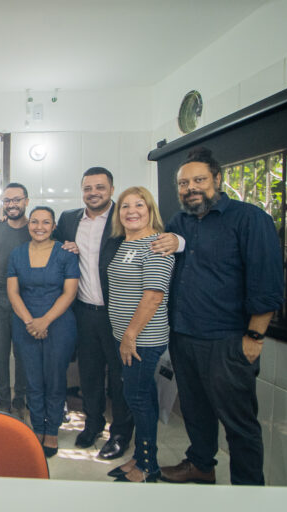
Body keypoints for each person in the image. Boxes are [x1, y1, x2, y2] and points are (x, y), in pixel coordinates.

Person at [159, 147, 284, 486]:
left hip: (228, 341)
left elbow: (267, 283)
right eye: (183, 183)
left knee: (239, 423)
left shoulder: (249, 219)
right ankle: (200, 464)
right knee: (196, 413)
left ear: (217, 179)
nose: (190, 188)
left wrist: (255, 337)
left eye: (198, 180)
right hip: (184, 336)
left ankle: (248, 493)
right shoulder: (179, 222)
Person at [53, 167, 134, 457]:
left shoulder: (125, 217)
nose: (93, 193)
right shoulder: (69, 219)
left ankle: (121, 432)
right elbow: (49, 242)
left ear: (112, 189)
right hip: (84, 312)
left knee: (120, 376)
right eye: (88, 188)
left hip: (119, 312)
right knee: (89, 374)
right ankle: (93, 424)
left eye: (100, 187)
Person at [106, 187, 174, 482]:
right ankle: (141, 456)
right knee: (141, 395)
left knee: (137, 397)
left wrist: (130, 335)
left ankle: (148, 466)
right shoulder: (125, 243)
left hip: (142, 339)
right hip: (126, 336)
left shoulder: (156, 245)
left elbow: (153, 297)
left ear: (150, 210)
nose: (131, 211)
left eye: (139, 205)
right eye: (124, 206)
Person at [7, 206, 79, 457]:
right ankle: (37, 427)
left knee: (55, 379)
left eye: (45, 222)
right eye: (35, 221)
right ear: (29, 225)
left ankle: (53, 431)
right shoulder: (17, 254)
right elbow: (13, 293)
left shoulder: (66, 253)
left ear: (53, 226)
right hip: (25, 322)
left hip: (59, 323)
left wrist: (44, 321)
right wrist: (30, 322)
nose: (39, 226)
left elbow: (70, 293)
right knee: (32, 379)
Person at [0, 183, 30, 417]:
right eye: (6, 200)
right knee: (0, 351)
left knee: (22, 352)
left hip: (26, 295)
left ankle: (19, 401)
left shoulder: (35, 228)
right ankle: (3, 403)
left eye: (16, 199)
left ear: (26, 201)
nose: (11, 204)